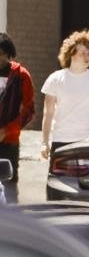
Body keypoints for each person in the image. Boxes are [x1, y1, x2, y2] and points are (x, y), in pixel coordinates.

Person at [41, 30, 89, 159]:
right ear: (71, 53)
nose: (87, 57)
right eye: (82, 53)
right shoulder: (55, 79)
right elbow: (48, 113)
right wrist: (45, 142)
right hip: (60, 139)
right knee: (57, 179)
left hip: (85, 140)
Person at [0, 34, 35, 202]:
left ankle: (12, 223)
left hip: (9, 141)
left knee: (9, 184)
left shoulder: (21, 75)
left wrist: (7, 131)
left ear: (8, 54)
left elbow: (28, 110)